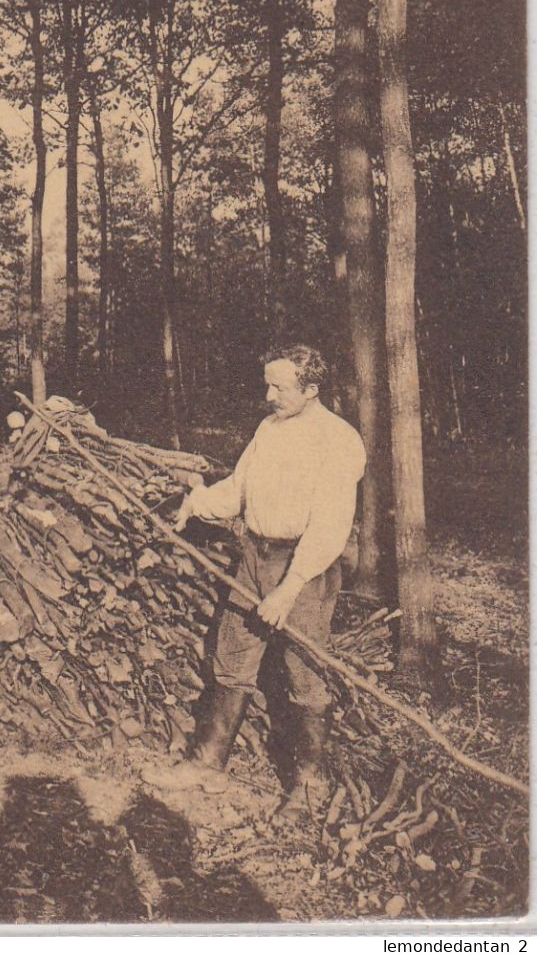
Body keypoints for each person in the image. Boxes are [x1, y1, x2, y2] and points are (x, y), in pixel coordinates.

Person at [144, 344, 366, 819]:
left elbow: (331, 526)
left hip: (305, 567)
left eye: (279, 387)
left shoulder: (338, 440)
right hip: (255, 555)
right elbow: (239, 490)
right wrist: (196, 503)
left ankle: (309, 786)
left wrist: (289, 588)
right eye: (267, 383)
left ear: (311, 389)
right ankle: (207, 765)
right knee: (232, 657)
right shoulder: (268, 429)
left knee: (304, 672)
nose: (268, 395)